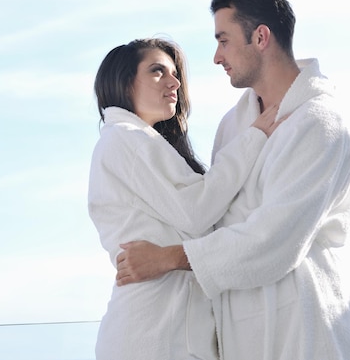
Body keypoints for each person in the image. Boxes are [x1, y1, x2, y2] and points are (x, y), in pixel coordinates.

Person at [115, 0, 350, 360]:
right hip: (239, 324)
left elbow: (275, 240)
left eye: (224, 40)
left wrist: (166, 258)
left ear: (261, 37)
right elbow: (213, 214)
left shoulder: (320, 121)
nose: (216, 56)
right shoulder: (233, 126)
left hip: (302, 320)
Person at [88, 37, 284, 360]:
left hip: (163, 330)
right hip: (152, 335)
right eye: (157, 71)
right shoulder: (127, 140)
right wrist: (255, 136)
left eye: (174, 73)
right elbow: (197, 210)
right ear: (125, 84)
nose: (174, 82)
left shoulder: (132, 142)